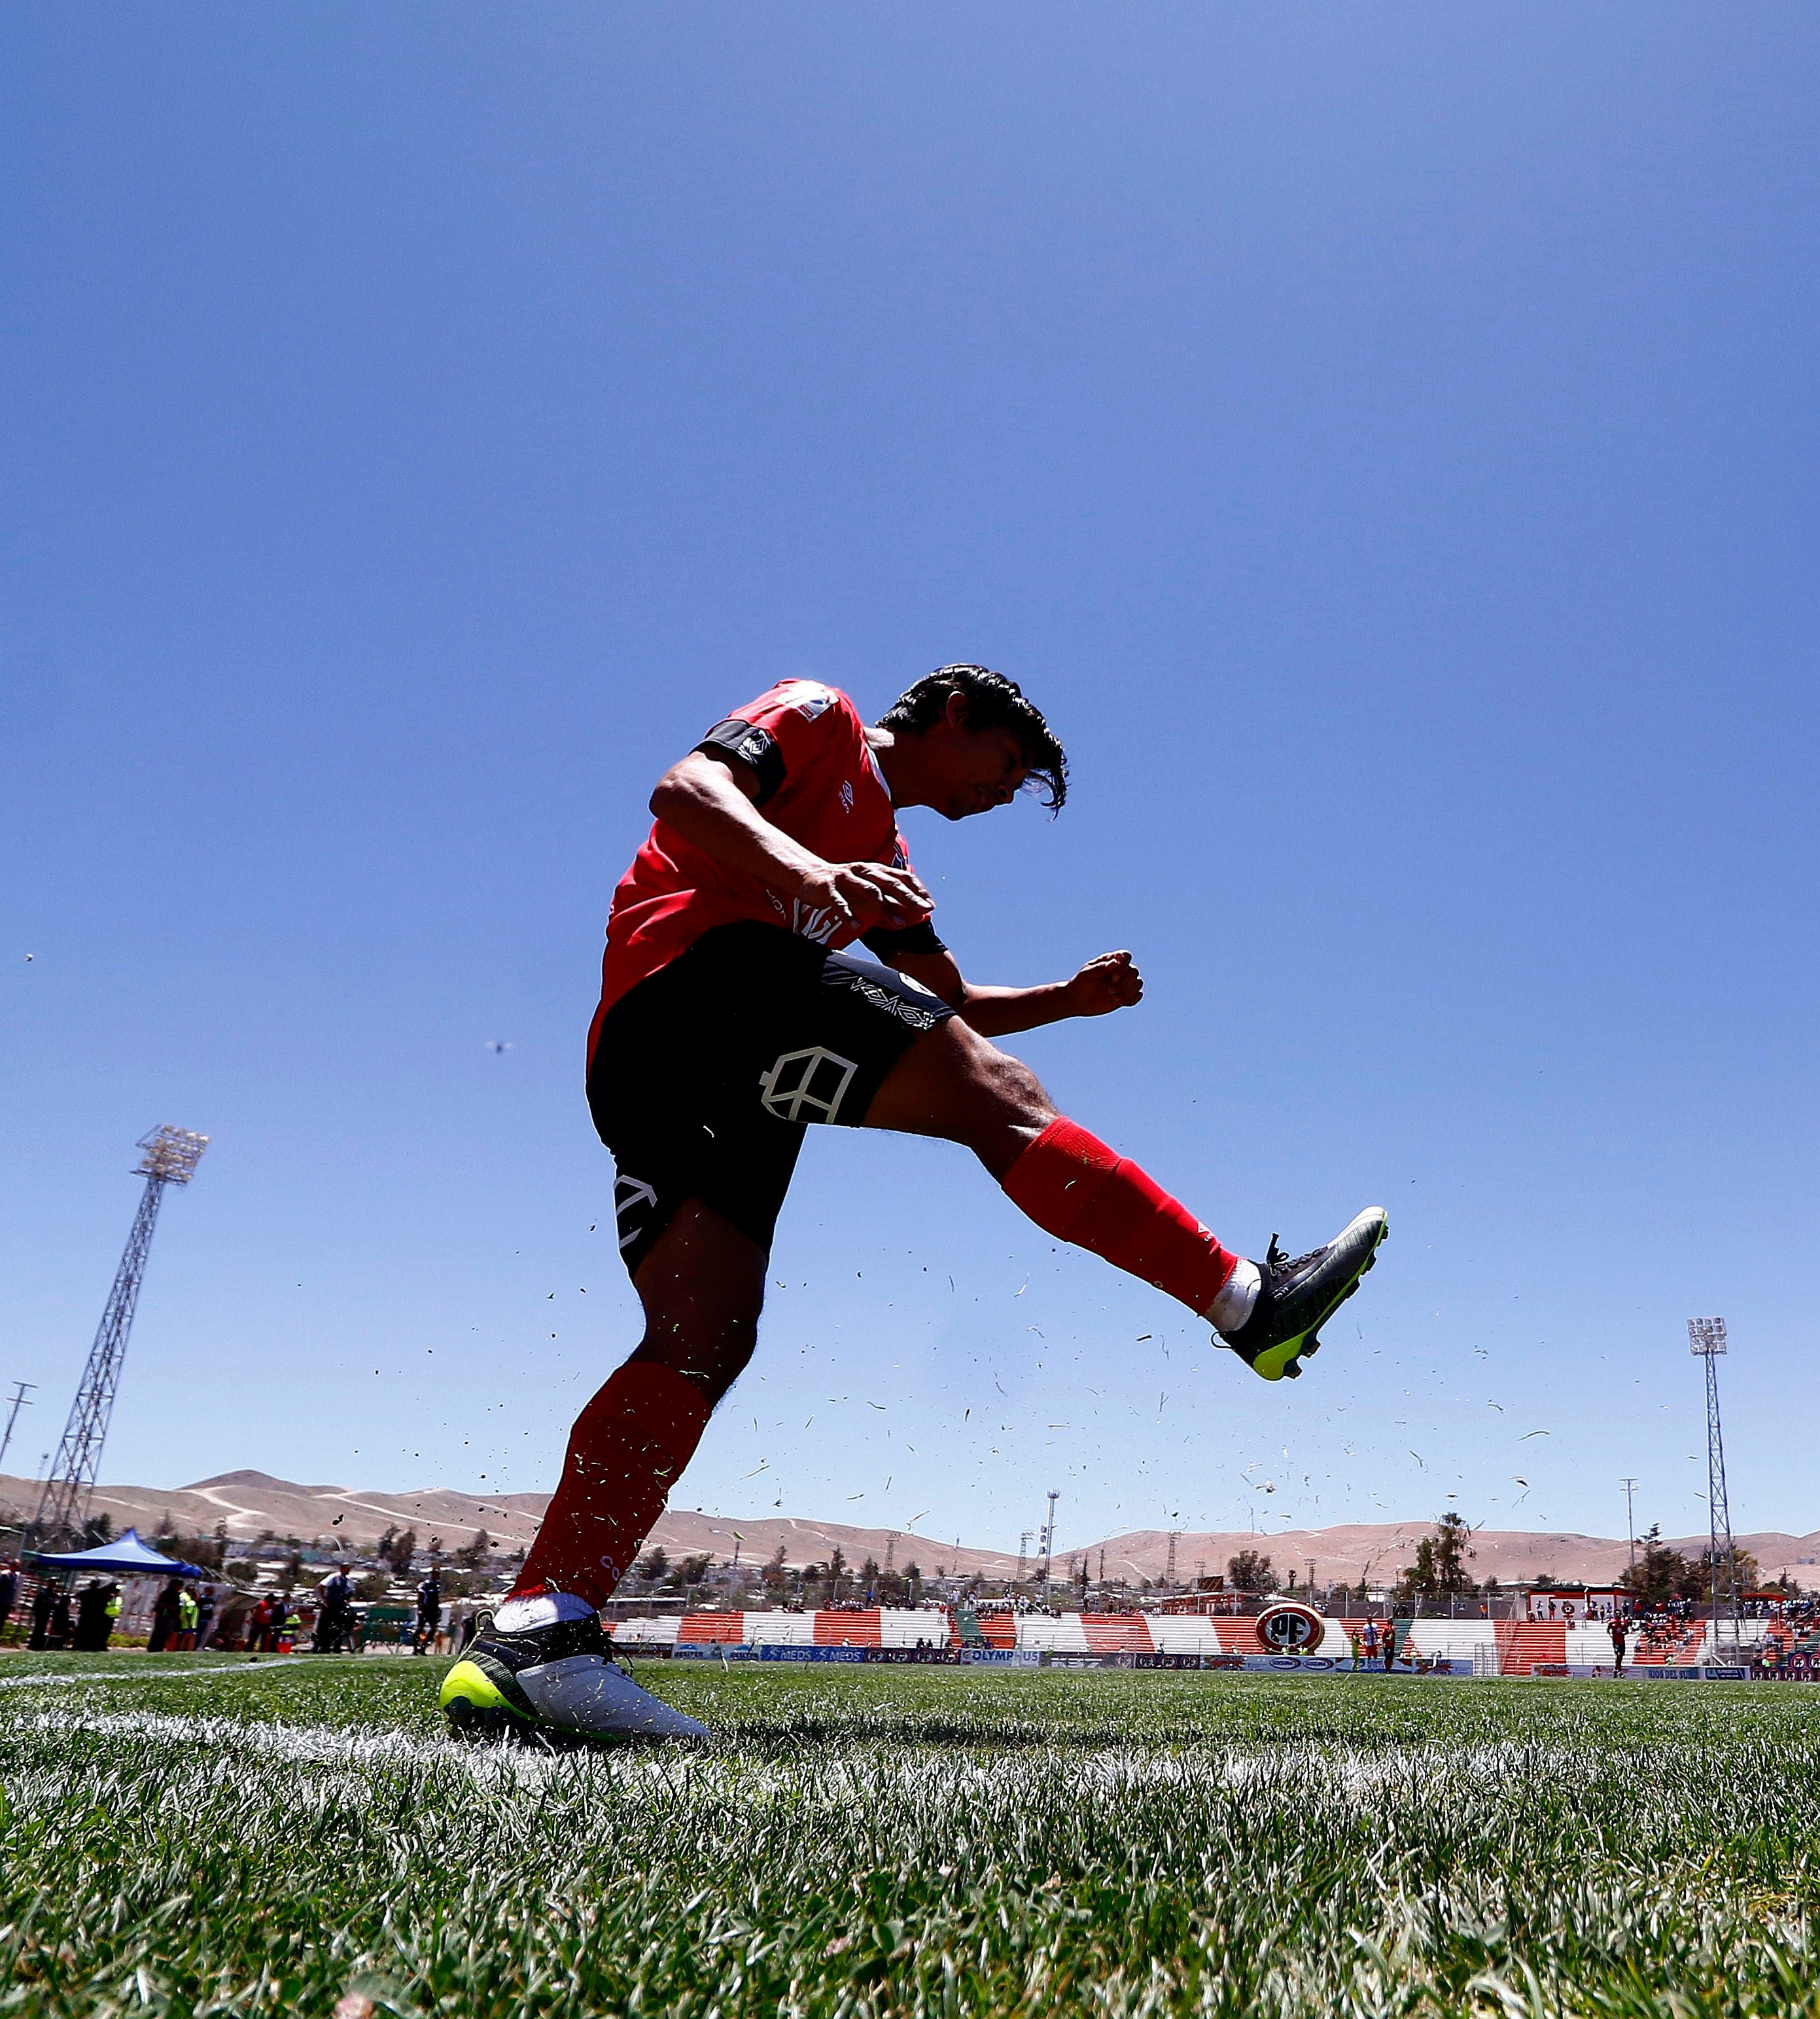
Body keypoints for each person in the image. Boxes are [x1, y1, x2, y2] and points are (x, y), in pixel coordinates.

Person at [443, 667, 1389, 1747]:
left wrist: (1067, 1000)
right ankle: (1245, 1299)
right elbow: (688, 787)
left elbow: (951, 1003)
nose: (1007, 790)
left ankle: (535, 1638)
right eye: (1009, 764)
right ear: (954, 718)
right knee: (1005, 1103)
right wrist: (817, 876)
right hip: (696, 987)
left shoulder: (888, 859)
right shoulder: (822, 716)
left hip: (666, 1070)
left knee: (700, 1337)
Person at [415, 1570, 443, 1655]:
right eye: (436, 1575)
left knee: (434, 1628)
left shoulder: (436, 1586)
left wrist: (437, 1609)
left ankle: (423, 1646)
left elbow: (436, 1600)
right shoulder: (425, 1585)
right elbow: (420, 1596)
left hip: (433, 1610)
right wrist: (420, 1608)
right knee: (420, 1629)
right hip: (425, 1609)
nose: (438, 1576)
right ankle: (415, 1648)